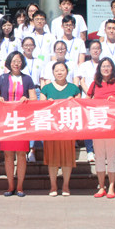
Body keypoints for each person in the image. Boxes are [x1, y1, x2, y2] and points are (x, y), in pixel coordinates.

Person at [0, 52, 36, 197]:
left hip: (22, 120)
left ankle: (20, 186)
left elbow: (34, 98)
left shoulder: (27, 79)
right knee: (8, 154)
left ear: (22, 63)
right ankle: (10, 185)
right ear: (9, 62)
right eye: (13, 61)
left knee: (21, 154)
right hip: (6, 120)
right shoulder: (3, 78)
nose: (16, 63)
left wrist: (26, 99)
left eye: (19, 61)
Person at [87, 58, 115, 199]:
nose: (105, 68)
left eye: (108, 66)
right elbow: (87, 101)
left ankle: (111, 186)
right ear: (99, 69)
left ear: (112, 68)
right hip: (98, 124)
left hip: (112, 125)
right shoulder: (94, 84)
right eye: (103, 66)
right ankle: (101, 186)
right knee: (98, 156)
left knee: (111, 156)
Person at [40, 62, 81, 196]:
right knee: (52, 157)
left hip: (67, 128)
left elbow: (80, 107)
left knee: (67, 157)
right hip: (52, 128)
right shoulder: (46, 88)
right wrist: (48, 103)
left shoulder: (74, 88)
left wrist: (73, 101)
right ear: (53, 73)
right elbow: (40, 107)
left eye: (62, 70)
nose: (59, 72)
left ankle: (65, 185)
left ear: (67, 71)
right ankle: (53, 186)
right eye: (56, 70)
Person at [77, 40, 103, 163]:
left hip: (101, 98)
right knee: (88, 124)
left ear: (101, 50)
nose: (95, 51)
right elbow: (82, 81)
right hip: (87, 97)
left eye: (97, 48)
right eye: (93, 48)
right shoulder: (84, 65)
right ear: (89, 51)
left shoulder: (104, 64)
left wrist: (97, 95)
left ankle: (99, 149)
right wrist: (90, 93)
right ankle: (89, 150)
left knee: (99, 124)